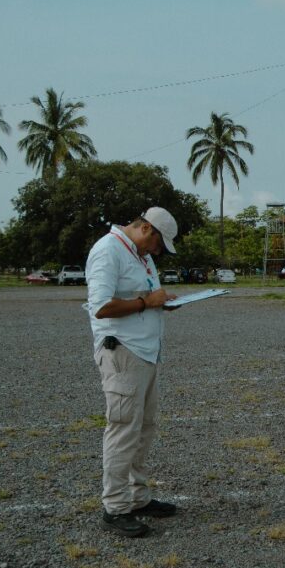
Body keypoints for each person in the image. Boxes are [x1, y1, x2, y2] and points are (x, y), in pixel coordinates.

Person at [85, 207, 180, 537]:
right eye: (158, 245)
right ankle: (115, 507)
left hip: (145, 353)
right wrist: (146, 303)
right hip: (122, 352)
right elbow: (101, 305)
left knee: (144, 427)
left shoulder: (139, 256)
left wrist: (160, 300)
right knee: (123, 428)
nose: (158, 252)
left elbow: (141, 295)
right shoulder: (108, 251)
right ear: (146, 229)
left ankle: (138, 498)